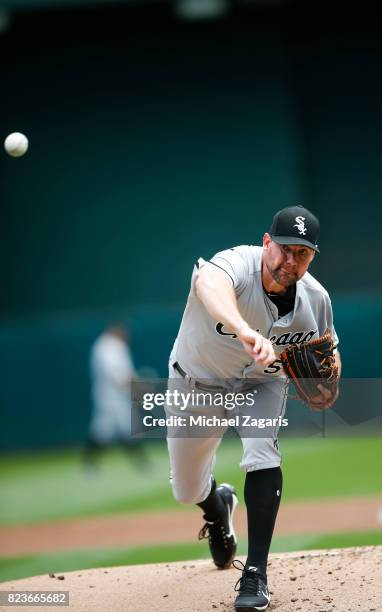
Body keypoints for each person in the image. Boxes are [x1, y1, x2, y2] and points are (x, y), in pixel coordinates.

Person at [165, 205, 341, 611]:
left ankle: (255, 575)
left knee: (262, 452)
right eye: (284, 249)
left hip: (260, 384)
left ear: (312, 257)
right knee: (185, 488)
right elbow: (209, 283)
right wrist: (244, 330)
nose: (290, 260)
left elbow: (329, 349)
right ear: (266, 243)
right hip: (196, 383)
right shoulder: (237, 265)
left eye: (303, 253)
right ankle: (217, 506)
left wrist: (328, 384)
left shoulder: (317, 300)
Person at [84, 324, 148, 469]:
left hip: (119, 396)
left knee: (126, 428)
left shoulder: (116, 346)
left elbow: (126, 374)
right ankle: (89, 463)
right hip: (108, 397)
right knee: (103, 430)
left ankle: (141, 462)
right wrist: (137, 390)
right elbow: (119, 376)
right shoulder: (106, 347)